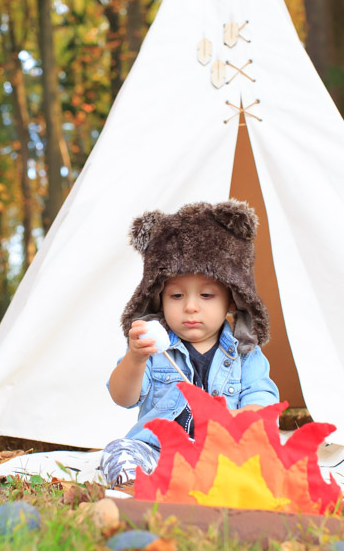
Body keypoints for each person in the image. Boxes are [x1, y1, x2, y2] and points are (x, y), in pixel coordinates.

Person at [101, 200, 280, 487]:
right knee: (120, 452)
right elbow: (123, 397)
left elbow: (264, 406)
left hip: (223, 455)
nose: (191, 307)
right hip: (160, 453)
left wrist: (237, 418)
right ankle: (139, 488)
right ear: (158, 297)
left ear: (232, 299)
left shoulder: (245, 354)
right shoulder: (151, 349)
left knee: (268, 459)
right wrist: (135, 360)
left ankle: (215, 485)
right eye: (176, 296)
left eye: (207, 295)